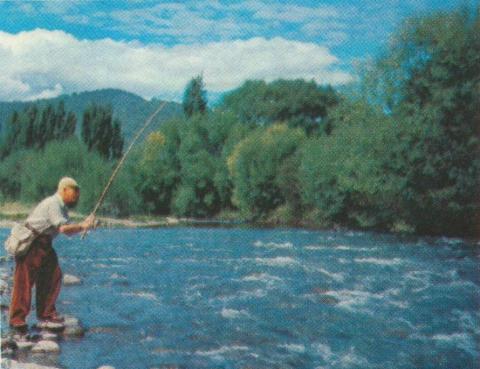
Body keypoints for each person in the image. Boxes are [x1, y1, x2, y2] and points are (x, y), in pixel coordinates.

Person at [8, 177, 96, 332]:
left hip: (44, 243)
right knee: (24, 282)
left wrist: (85, 225)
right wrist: (83, 225)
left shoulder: (62, 207)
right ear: (64, 189)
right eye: (74, 192)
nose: (77, 196)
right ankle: (17, 320)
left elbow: (69, 229)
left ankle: (46, 314)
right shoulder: (54, 204)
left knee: (53, 276)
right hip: (32, 242)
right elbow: (63, 229)